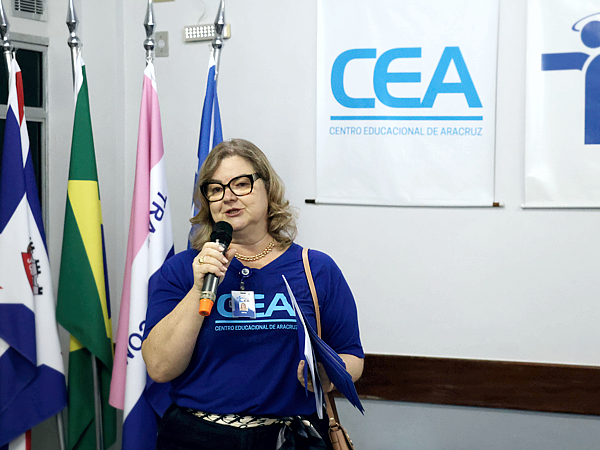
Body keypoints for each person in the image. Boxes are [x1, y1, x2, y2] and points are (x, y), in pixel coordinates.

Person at [142, 138, 364, 450]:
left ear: (268, 189)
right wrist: (198, 288)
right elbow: (159, 367)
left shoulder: (316, 269)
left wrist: (330, 374)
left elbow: (352, 356)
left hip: (290, 439)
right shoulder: (182, 270)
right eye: (216, 189)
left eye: (241, 184)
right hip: (195, 438)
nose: (228, 197)